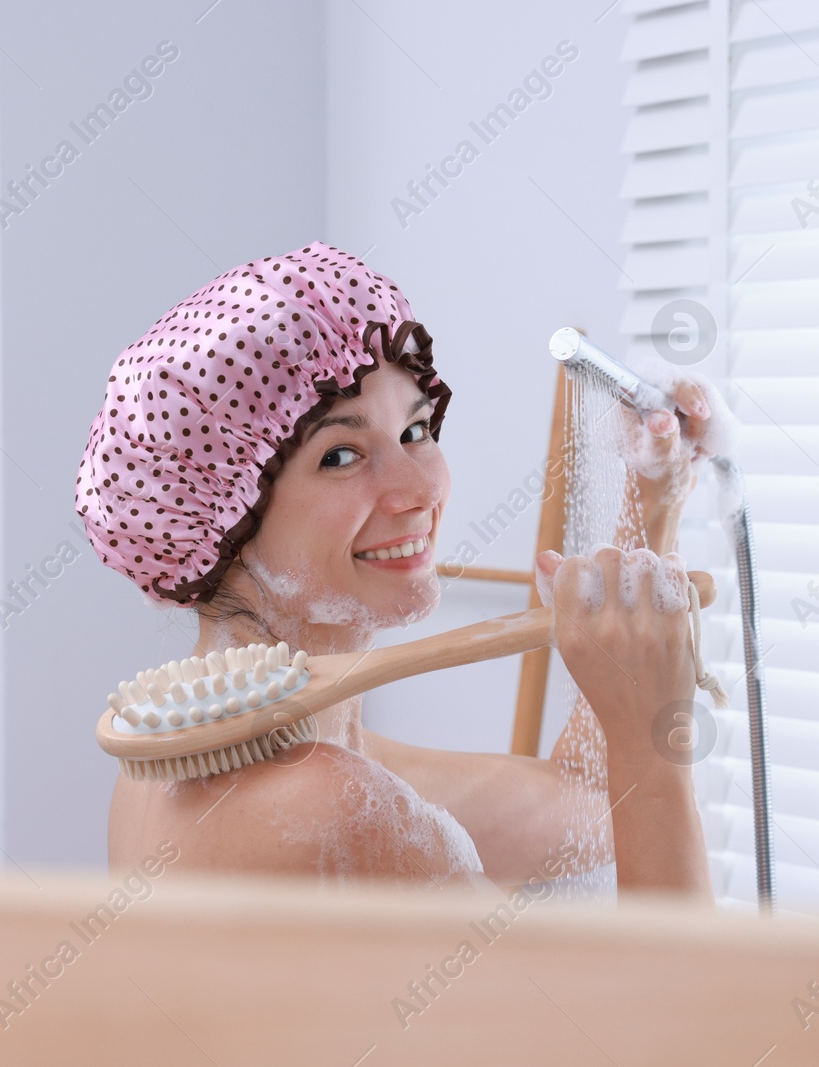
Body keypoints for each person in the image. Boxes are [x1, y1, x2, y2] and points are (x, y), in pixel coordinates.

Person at [77, 243, 727, 902]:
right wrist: (655, 745)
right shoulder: (327, 806)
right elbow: (679, 1006)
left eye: (416, 430)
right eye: (341, 455)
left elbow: (588, 808)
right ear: (224, 513)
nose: (420, 487)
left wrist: (651, 499)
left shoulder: (196, 768)